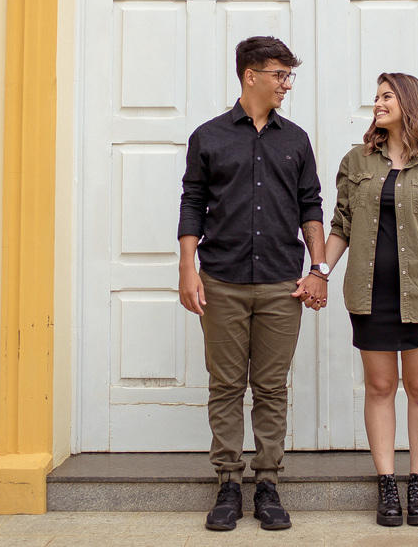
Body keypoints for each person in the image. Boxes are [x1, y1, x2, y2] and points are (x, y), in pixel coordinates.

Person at [177, 36, 330, 531]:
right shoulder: (209, 136)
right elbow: (192, 203)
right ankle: (226, 482)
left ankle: (267, 483)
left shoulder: (296, 139)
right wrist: (187, 268)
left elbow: (311, 205)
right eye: (279, 74)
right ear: (250, 76)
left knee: (270, 387)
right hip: (221, 279)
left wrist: (318, 269)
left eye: (289, 75)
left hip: (281, 283)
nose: (287, 84)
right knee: (224, 385)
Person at [315, 72, 418, 527]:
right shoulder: (357, 161)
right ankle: (387, 487)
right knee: (379, 388)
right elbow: (340, 225)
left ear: (409, 102)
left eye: (386, 96)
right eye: (376, 97)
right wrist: (319, 272)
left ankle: (417, 484)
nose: (377, 103)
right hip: (370, 294)